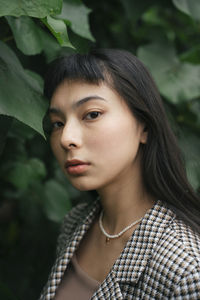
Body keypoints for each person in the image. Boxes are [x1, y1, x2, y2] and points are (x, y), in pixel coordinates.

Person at [39, 49, 200, 300]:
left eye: (92, 114)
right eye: (58, 123)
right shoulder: (75, 224)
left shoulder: (184, 268)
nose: (66, 139)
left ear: (143, 125)